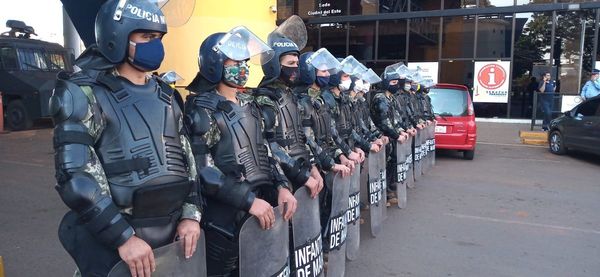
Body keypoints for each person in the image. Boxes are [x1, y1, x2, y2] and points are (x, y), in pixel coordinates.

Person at [51, 1, 202, 276]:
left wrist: (191, 216)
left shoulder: (166, 95)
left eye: (158, 38)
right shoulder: (83, 94)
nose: (155, 45)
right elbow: (75, 179)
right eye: (146, 37)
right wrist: (122, 237)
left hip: (171, 242)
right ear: (116, 37)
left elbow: (187, 161)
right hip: (118, 246)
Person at [184, 27, 297, 276]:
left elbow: (266, 151)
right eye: (235, 62)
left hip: (261, 207)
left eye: (245, 61)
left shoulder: (251, 104)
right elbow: (205, 171)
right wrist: (248, 201)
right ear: (215, 63)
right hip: (225, 218)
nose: (243, 67)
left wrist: (282, 186)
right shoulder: (203, 110)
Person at [253, 30, 323, 196]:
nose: (295, 68)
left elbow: (301, 137)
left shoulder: (290, 95)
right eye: (290, 63)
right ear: (275, 65)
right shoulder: (265, 99)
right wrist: (303, 176)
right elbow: (271, 146)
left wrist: (312, 167)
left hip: (300, 171)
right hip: (281, 180)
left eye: (297, 64)